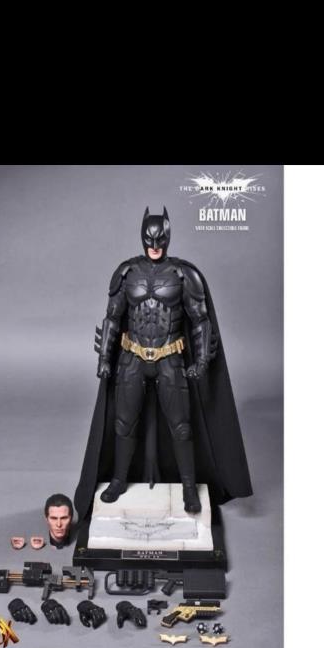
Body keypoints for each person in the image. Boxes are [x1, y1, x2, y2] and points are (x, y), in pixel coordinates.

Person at [74, 208, 252, 520]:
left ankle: (188, 487)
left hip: (170, 356)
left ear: (168, 238)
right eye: (149, 239)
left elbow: (200, 321)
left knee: (181, 427)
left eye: (160, 239)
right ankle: (119, 480)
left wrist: (202, 361)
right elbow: (112, 318)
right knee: (123, 424)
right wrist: (104, 359)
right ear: (142, 237)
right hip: (132, 356)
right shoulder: (127, 273)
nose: (154, 245)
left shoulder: (183, 275)